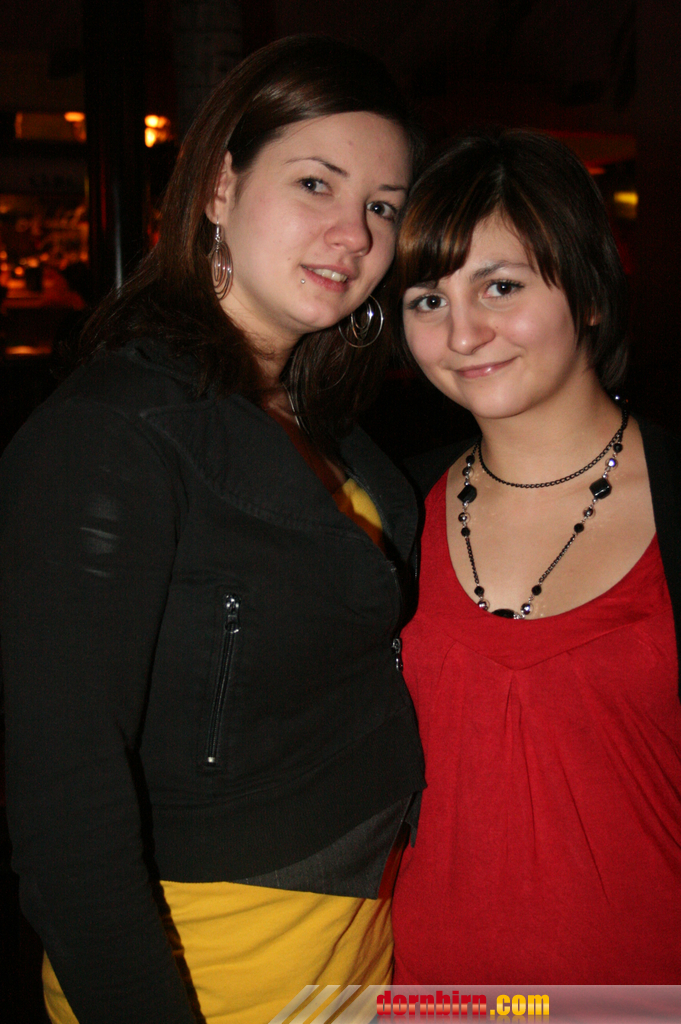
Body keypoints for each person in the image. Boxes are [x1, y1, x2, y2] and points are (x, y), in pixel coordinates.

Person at [0, 35, 426, 1024]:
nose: (354, 234)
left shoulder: (324, 423)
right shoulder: (112, 435)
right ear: (221, 187)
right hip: (217, 979)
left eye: (382, 206)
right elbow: (66, 810)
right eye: (316, 184)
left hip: (366, 958)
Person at [389, 129, 681, 984]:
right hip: (427, 1000)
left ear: (587, 291)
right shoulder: (382, 509)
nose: (462, 333)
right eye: (427, 299)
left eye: (500, 286)